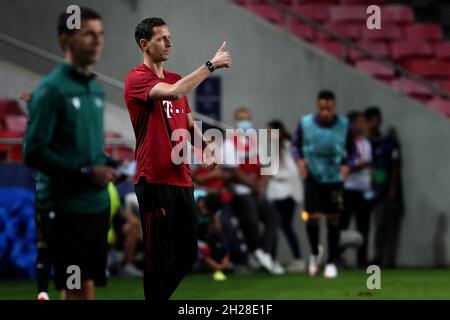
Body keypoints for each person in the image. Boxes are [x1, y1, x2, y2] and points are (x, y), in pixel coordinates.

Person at [124, 17, 231, 300]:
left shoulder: (175, 77)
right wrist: (210, 66)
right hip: (154, 179)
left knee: (188, 253)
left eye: (169, 37)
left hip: (181, 179)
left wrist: (205, 145)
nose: (169, 42)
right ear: (144, 44)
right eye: (162, 38)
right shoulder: (137, 79)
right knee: (157, 258)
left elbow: (188, 122)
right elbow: (175, 93)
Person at [23, 7, 120, 300]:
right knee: (76, 288)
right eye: (87, 33)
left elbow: (88, 149)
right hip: (66, 210)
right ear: (65, 40)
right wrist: (85, 172)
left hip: (96, 207)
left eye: (100, 34)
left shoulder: (96, 89)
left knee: (83, 287)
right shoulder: (51, 90)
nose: (96, 41)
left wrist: (109, 164)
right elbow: (34, 153)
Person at [291, 90, 353, 278]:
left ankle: (332, 260)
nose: (325, 112)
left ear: (334, 106)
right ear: (318, 106)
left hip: (334, 178)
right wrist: (299, 160)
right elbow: (295, 146)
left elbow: (354, 151)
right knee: (313, 216)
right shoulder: (305, 123)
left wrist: (347, 165)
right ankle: (315, 254)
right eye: (322, 108)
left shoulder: (344, 125)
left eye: (329, 108)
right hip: (313, 177)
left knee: (334, 218)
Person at [222, 108, 283, 275]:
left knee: (273, 217)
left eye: (248, 119)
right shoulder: (229, 143)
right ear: (235, 121)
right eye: (242, 119)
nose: (245, 122)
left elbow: (265, 168)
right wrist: (254, 185)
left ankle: (264, 252)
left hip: (256, 190)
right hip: (241, 192)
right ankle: (257, 254)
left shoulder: (257, 142)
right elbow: (235, 171)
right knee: (252, 220)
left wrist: (262, 185)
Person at [364, 106, 403, 268]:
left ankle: (379, 257)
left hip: (382, 190)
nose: (376, 123)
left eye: (377, 119)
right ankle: (361, 258)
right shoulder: (362, 143)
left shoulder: (387, 142)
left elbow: (395, 166)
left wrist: (392, 187)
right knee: (362, 226)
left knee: (381, 225)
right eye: (372, 119)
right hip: (363, 190)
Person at [266, 120, 305, 272]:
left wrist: (272, 174)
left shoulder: (286, 147)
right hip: (280, 193)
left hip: (286, 193)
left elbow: (291, 172)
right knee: (279, 226)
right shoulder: (277, 147)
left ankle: (295, 259)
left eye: (269, 132)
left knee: (281, 226)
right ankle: (274, 259)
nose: (268, 135)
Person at [341, 111, 374, 268]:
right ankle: (338, 258)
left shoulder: (366, 143)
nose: (363, 125)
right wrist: (362, 165)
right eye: (360, 122)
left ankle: (362, 259)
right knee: (343, 225)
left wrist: (371, 185)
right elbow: (346, 166)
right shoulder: (347, 143)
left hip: (364, 190)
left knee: (364, 227)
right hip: (349, 189)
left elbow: (370, 169)